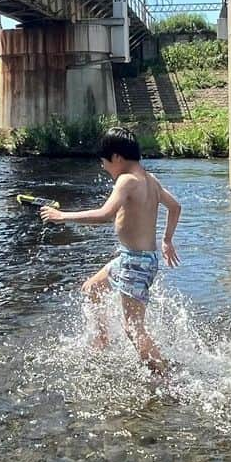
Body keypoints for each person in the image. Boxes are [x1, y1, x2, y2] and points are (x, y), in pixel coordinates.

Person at [40, 127, 181, 372]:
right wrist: (167, 240)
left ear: (116, 157)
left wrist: (62, 217)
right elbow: (175, 207)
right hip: (134, 259)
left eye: (104, 162)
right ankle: (102, 341)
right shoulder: (150, 180)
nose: (104, 168)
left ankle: (166, 377)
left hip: (135, 263)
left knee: (133, 328)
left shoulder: (126, 180)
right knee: (91, 288)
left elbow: (105, 214)